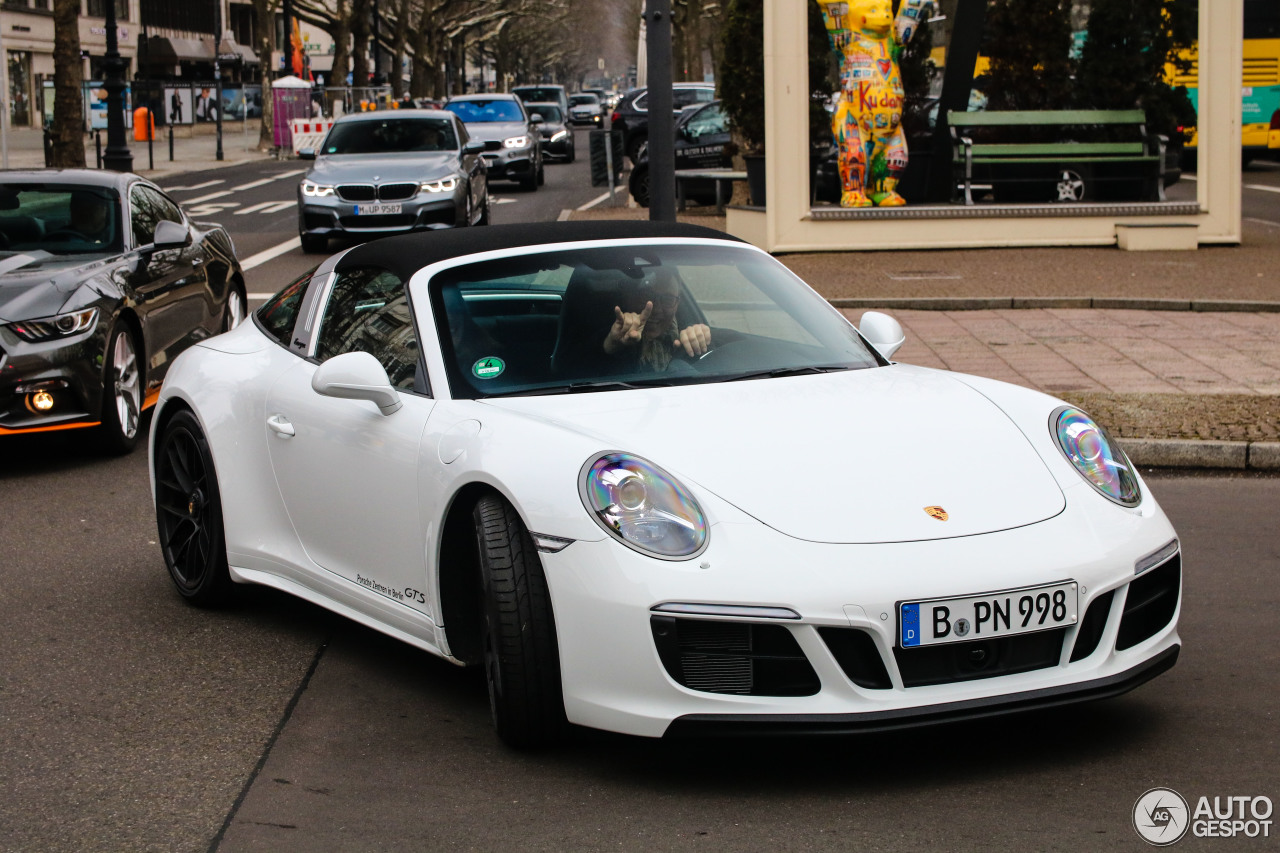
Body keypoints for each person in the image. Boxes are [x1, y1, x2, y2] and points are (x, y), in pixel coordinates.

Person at [602, 268, 710, 371]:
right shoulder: (608, 332)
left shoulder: (686, 333)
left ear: (677, 303)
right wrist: (611, 345)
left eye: (668, 299)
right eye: (647, 296)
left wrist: (701, 340)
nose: (657, 309)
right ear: (629, 298)